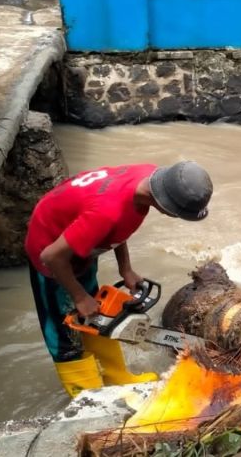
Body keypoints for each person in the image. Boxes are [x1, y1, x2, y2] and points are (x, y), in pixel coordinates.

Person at [25, 161, 213, 397]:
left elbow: (120, 223)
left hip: (82, 240)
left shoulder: (147, 179)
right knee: (64, 329)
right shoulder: (105, 212)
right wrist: (79, 296)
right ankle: (86, 394)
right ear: (166, 206)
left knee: (98, 314)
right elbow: (51, 256)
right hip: (52, 251)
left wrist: (126, 268)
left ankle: (114, 376)